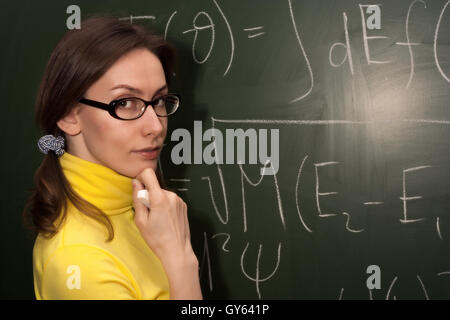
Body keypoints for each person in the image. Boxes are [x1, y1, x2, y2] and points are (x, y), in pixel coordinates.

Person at [23, 15, 202, 300]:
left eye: (158, 101)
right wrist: (182, 265)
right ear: (69, 115)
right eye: (125, 103)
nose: (156, 126)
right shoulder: (79, 261)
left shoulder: (138, 212)